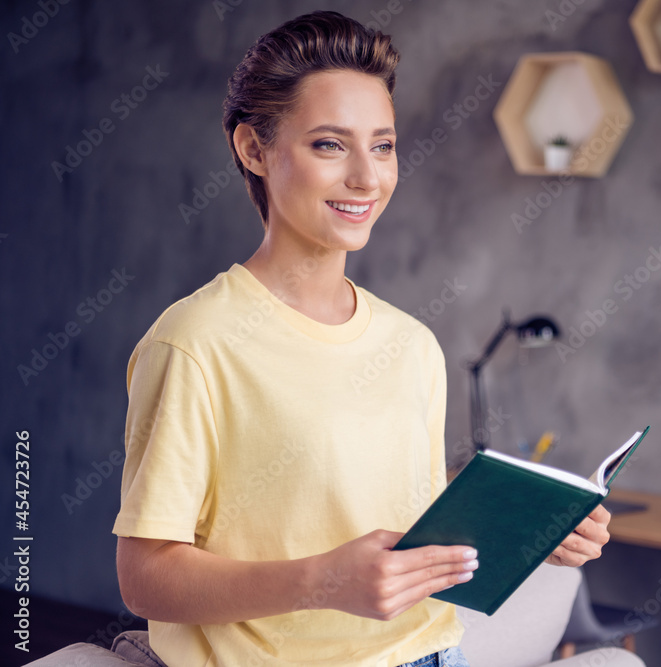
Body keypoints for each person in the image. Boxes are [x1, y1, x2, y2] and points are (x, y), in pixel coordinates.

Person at [27, 10, 610, 667]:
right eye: (330, 145)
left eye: (383, 145)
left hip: (429, 653)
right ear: (253, 149)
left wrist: (534, 530)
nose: (367, 177)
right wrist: (321, 581)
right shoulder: (195, 342)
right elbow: (145, 575)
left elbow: (409, 534)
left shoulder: (412, 343)